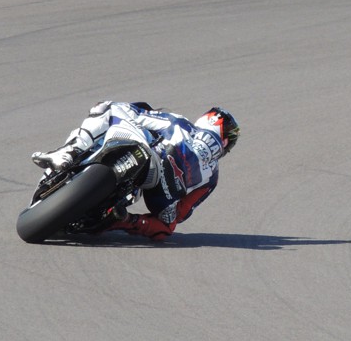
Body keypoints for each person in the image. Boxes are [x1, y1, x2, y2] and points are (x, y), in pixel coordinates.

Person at [32, 101, 239, 241]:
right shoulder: (213, 177)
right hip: (158, 189)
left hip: (153, 156)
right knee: (167, 227)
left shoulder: (180, 123)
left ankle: (69, 152)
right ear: (226, 143)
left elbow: (139, 116)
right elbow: (181, 215)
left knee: (107, 107)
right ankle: (124, 220)